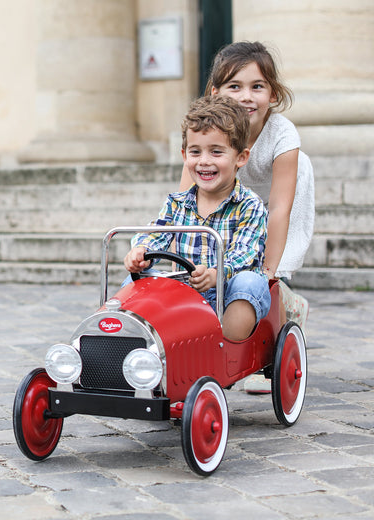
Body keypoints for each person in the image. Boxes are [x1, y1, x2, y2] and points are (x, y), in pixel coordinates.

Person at [179, 42, 315, 393]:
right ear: (216, 92)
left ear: (272, 93)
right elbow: (186, 201)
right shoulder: (207, 134)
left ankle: (279, 307)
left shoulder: (282, 135)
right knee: (215, 252)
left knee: (267, 268)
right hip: (225, 183)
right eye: (234, 86)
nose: (246, 97)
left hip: (278, 189)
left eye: (257, 86)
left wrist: (267, 271)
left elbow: (279, 209)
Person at [124, 95, 271, 342]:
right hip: (185, 295)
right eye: (195, 152)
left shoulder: (249, 205)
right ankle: (134, 343)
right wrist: (141, 251)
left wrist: (216, 274)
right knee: (133, 279)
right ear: (184, 155)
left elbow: (245, 254)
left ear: (241, 157)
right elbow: (157, 233)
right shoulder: (177, 203)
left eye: (216, 152)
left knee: (251, 282)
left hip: (228, 294)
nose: (204, 161)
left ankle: (223, 345)